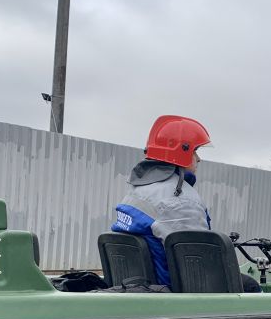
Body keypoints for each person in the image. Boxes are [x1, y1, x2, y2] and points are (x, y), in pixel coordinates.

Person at [112, 115, 261, 292]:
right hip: (173, 287)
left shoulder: (136, 190)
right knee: (250, 285)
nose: (199, 159)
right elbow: (199, 258)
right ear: (181, 152)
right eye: (195, 152)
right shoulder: (180, 200)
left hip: (144, 283)